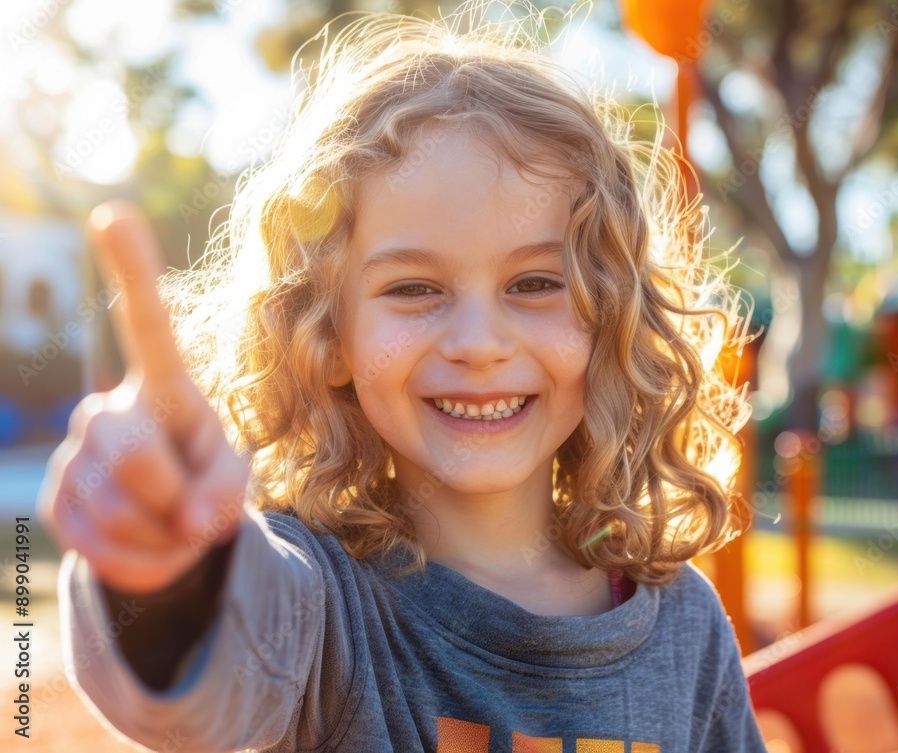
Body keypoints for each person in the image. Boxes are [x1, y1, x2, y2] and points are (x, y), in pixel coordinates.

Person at [38, 1, 767, 750]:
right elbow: (210, 682)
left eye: (535, 283)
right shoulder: (319, 603)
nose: (479, 343)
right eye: (415, 289)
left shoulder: (685, 624)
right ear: (328, 334)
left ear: (608, 316)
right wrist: (174, 567)